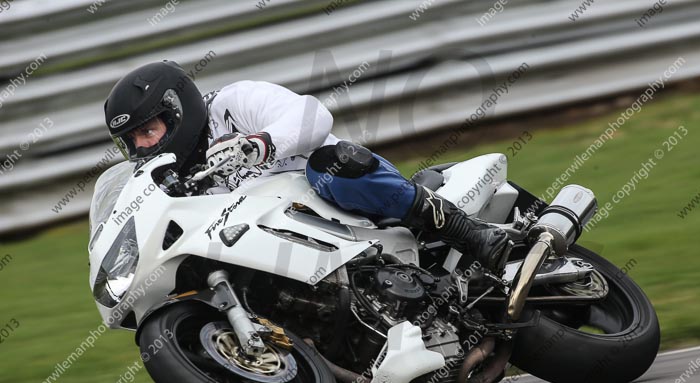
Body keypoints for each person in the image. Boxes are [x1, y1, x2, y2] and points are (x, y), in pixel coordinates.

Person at [103, 60, 510, 272]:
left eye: (148, 130)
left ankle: (467, 233)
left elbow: (313, 116)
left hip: (343, 203)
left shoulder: (234, 102)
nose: (142, 146)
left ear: (176, 110)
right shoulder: (177, 184)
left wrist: (260, 144)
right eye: (132, 140)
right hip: (289, 245)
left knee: (330, 164)